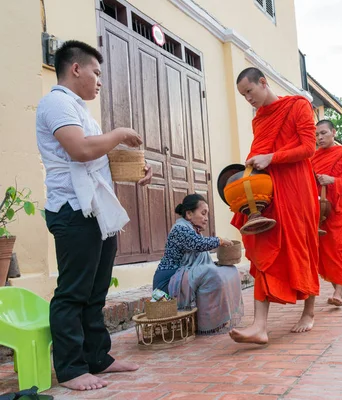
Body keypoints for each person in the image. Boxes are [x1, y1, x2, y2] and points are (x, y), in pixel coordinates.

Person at [36, 40, 152, 391]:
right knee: (73, 292)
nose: (99, 81)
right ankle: (71, 369)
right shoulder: (56, 103)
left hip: (96, 210)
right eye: (96, 72)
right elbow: (81, 150)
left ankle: (99, 357)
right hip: (72, 211)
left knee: (96, 290)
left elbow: (95, 159)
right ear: (76, 69)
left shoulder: (79, 110)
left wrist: (133, 169)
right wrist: (117, 134)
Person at [229, 67, 320, 344]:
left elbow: (308, 148)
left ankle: (309, 311)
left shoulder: (298, 105)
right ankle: (259, 326)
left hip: (297, 187)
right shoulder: (259, 120)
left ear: (263, 82)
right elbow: (260, 150)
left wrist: (272, 158)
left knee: (302, 244)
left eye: (250, 91)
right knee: (262, 244)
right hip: (268, 190)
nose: (248, 99)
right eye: (243, 95)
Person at [153, 194, 243, 334]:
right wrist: (220, 241)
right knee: (210, 272)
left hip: (184, 275)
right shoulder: (180, 229)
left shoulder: (194, 231)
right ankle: (206, 323)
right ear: (189, 214)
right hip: (169, 281)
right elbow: (198, 244)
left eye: (207, 214)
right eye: (203, 213)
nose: (206, 218)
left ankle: (219, 317)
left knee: (229, 270)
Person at [312, 120, 342, 306]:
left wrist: (333, 180)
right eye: (316, 135)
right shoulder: (313, 157)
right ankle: (337, 289)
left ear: (333, 132)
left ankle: (339, 292)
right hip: (319, 209)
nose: (320, 138)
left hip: (339, 209)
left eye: (323, 133)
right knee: (323, 252)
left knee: (338, 248)